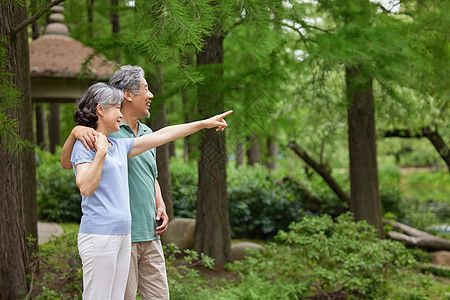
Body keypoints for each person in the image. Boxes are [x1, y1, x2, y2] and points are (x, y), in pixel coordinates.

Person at [63, 82, 231, 299]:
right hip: (100, 234)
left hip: (123, 234)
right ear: (100, 110)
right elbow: (85, 187)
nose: (120, 115)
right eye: (116, 108)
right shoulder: (86, 144)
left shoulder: (119, 146)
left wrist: (204, 123)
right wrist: (100, 152)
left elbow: (164, 135)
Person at [61, 65, 170, 299]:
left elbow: (153, 169)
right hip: (109, 234)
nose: (150, 95)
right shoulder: (96, 138)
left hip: (139, 232)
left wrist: (159, 204)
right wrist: (76, 134)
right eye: (145, 89)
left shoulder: (134, 138)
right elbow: (74, 171)